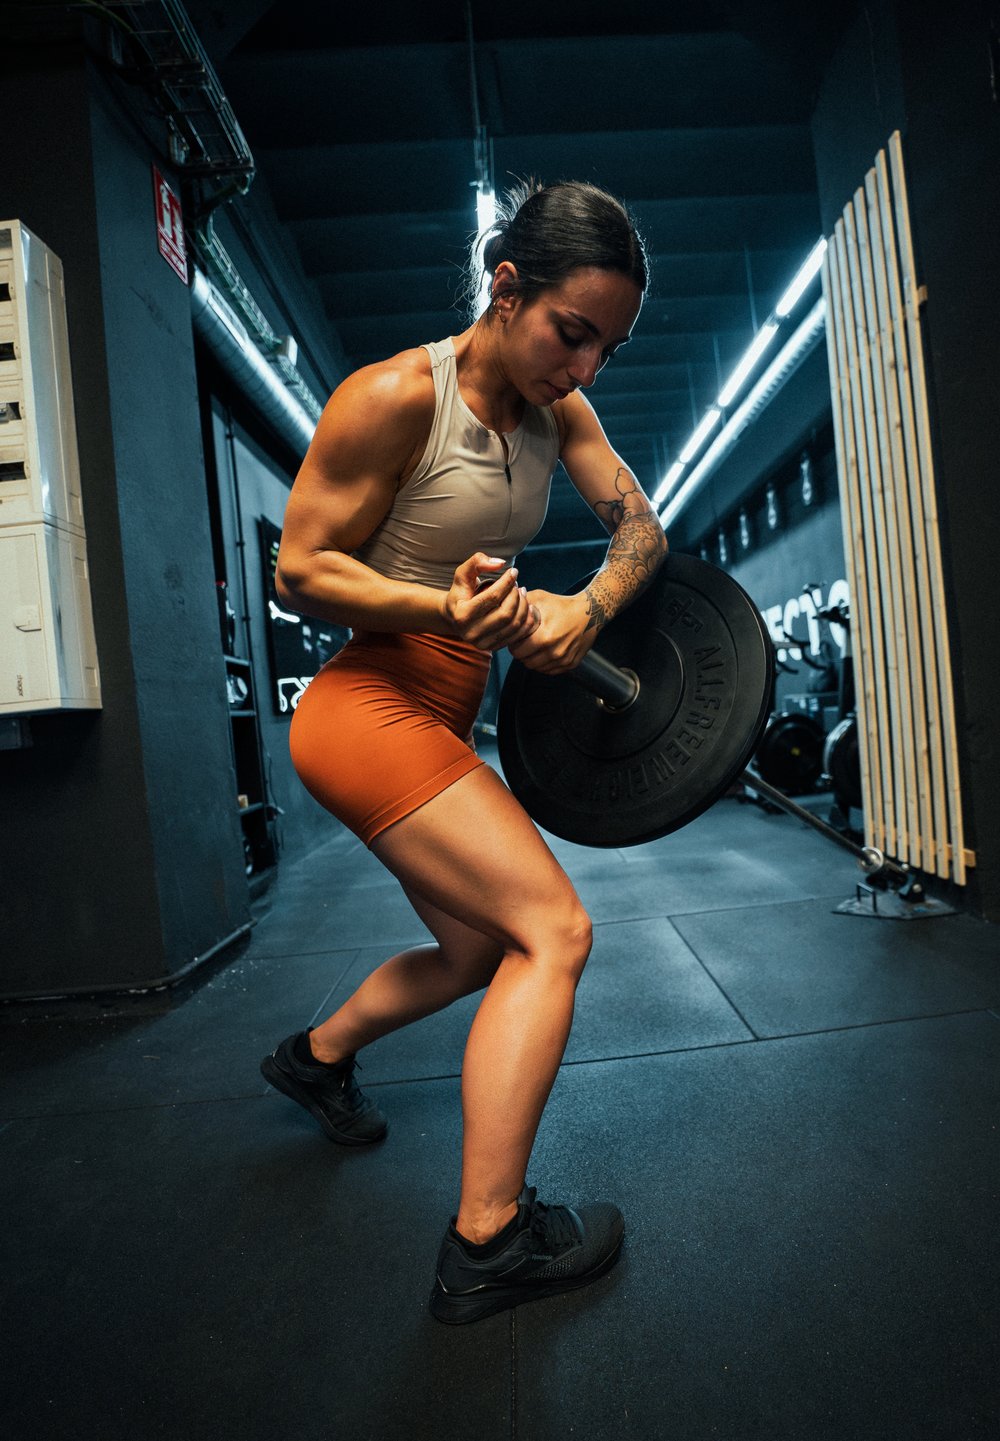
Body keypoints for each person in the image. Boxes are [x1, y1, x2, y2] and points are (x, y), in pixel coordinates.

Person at [260, 180, 668, 1324]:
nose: (583, 368)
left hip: (439, 714)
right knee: (555, 929)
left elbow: (641, 530)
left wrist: (584, 609)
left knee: (483, 949)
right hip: (365, 706)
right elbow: (301, 569)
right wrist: (447, 609)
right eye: (570, 332)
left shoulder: (561, 415)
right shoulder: (394, 396)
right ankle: (487, 1240)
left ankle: (316, 1055)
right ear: (505, 288)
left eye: (606, 349)